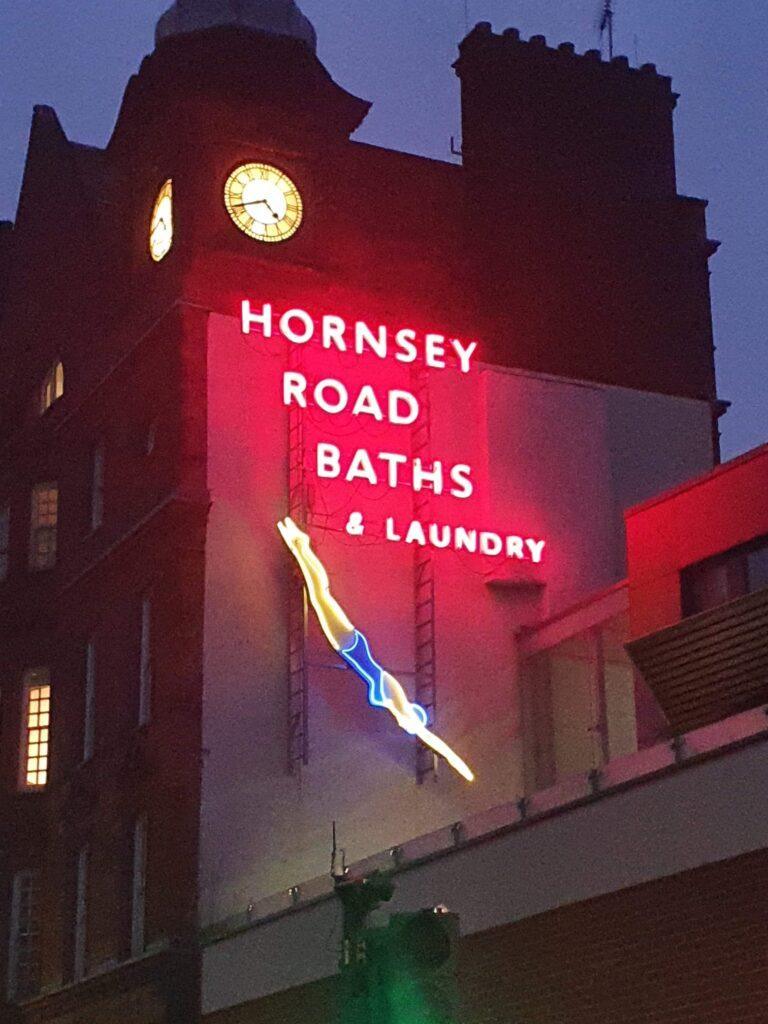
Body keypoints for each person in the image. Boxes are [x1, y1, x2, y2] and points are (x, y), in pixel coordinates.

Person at [278, 517, 474, 782]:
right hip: (350, 645)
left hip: (350, 647)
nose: (407, 726)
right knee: (321, 595)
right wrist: (457, 762)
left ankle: (302, 547)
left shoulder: (393, 698)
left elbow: (426, 735)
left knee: (320, 595)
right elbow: (431, 739)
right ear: (413, 715)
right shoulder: (398, 701)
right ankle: (302, 546)